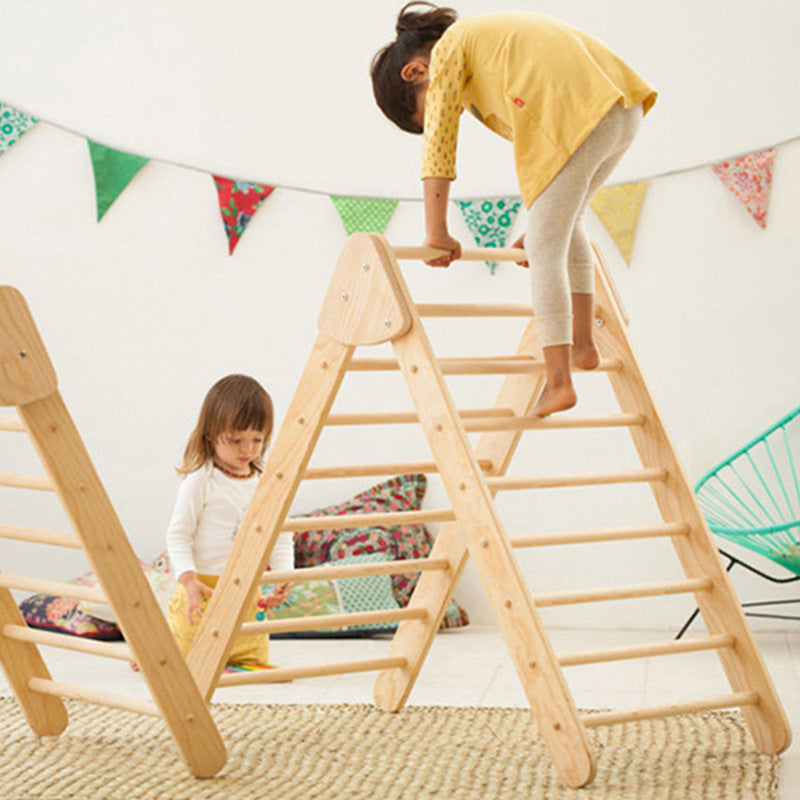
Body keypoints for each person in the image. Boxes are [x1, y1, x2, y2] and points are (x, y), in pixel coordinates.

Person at [371, 3, 657, 416]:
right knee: (563, 226)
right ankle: (583, 344)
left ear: (416, 72)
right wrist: (544, 219)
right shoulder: (487, 48)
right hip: (620, 109)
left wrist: (436, 230)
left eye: (428, 110)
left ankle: (559, 381)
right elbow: (552, 162)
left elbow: (439, 148)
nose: (443, 115)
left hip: (581, 114)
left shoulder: (451, 50)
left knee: (544, 249)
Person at [165, 374, 293, 666]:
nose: (247, 450)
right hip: (203, 590)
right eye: (236, 440)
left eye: (257, 440)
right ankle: (159, 649)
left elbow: (282, 532)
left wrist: (284, 575)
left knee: (250, 660)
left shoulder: (266, 483)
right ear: (211, 434)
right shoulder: (201, 482)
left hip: (248, 592)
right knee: (190, 663)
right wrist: (188, 578)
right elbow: (178, 535)